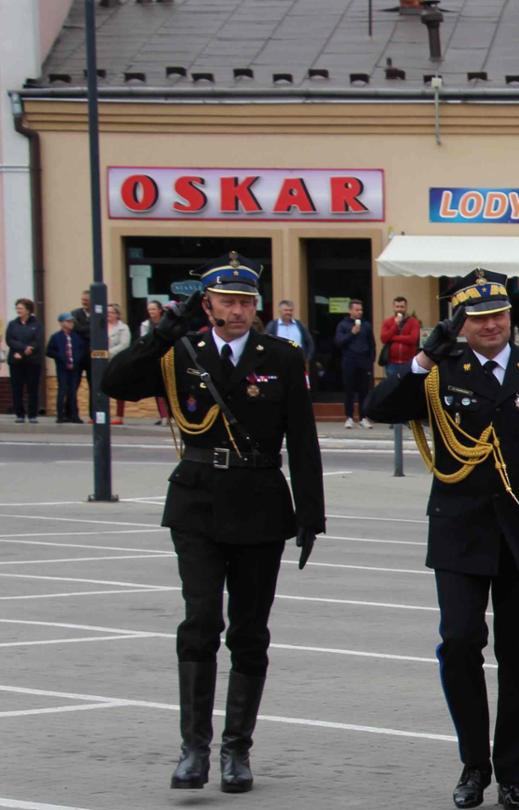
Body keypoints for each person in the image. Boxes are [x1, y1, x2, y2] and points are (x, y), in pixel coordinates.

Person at [101, 252, 324, 794]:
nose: (239, 310)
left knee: (249, 633)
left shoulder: (282, 355)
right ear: (207, 305)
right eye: (228, 301)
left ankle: (236, 751)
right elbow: (116, 383)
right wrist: (159, 335)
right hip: (198, 502)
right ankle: (193, 748)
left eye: (247, 302)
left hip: (261, 503)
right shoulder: (181, 351)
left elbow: (302, 438)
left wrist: (310, 515)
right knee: (200, 624)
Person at [365, 269, 519, 810]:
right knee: (460, 642)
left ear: (510, 317)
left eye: (499, 315)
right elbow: (380, 408)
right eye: (478, 318)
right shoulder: (441, 374)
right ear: (461, 324)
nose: (491, 325)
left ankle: (512, 773)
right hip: (460, 534)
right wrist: (419, 361)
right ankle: (472, 763)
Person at [335, 299, 375, 428]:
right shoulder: (343, 325)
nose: (359, 312)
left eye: (361, 310)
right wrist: (352, 333)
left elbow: (371, 344)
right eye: (357, 310)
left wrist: (371, 360)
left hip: (364, 361)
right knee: (349, 391)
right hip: (349, 361)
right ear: (350, 310)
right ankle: (349, 417)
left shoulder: (367, 325)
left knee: (364, 391)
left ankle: (363, 417)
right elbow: (339, 342)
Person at [7, 298, 43, 423]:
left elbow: (37, 341)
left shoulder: (36, 324)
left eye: (21, 308)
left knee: (32, 388)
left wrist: (28, 350)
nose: (18, 310)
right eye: (17, 308)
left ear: (28, 310)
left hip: (32, 361)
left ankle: (32, 414)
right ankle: (19, 414)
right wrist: (22, 349)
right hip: (16, 361)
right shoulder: (12, 324)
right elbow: (10, 340)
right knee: (17, 388)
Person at [48, 312, 87, 423]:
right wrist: (60, 357)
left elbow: (81, 350)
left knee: (73, 392)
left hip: (74, 368)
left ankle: (74, 415)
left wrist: (78, 358)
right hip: (62, 368)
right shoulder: (56, 337)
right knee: (62, 391)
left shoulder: (76, 337)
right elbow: (49, 351)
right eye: (68, 322)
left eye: (71, 322)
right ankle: (60, 415)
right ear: (61, 323)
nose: (71, 324)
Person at [141, 300, 171, 424]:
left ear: (160, 310)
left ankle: (170, 415)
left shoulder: (166, 322)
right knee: (158, 388)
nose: (151, 312)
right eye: (149, 310)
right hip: (154, 357)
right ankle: (163, 416)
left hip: (168, 357)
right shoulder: (145, 325)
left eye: (153, 309)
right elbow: (144, 341)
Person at [381, 296, 421, 379]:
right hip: (392, 363)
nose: (399, 309)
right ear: (393, 307)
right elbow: (384, 338)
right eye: (397, 307)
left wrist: (393, 337)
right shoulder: (388, 322)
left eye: (402, 307)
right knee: (392, 388)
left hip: (408, 362)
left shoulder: (413, 322)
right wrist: (395, 325)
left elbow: (413, 339)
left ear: (406, 307)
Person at [106, 304, 132, 424]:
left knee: (117, 388)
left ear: (117, 314)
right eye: (107, 312)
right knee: (101, 388)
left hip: (118, 360)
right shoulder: (102, 327)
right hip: (102, 361)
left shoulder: (123, 328)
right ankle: (102, 413)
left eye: (111, 312)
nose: (109, 314)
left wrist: (109, 353)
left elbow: (124, 344)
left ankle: (119, 416)